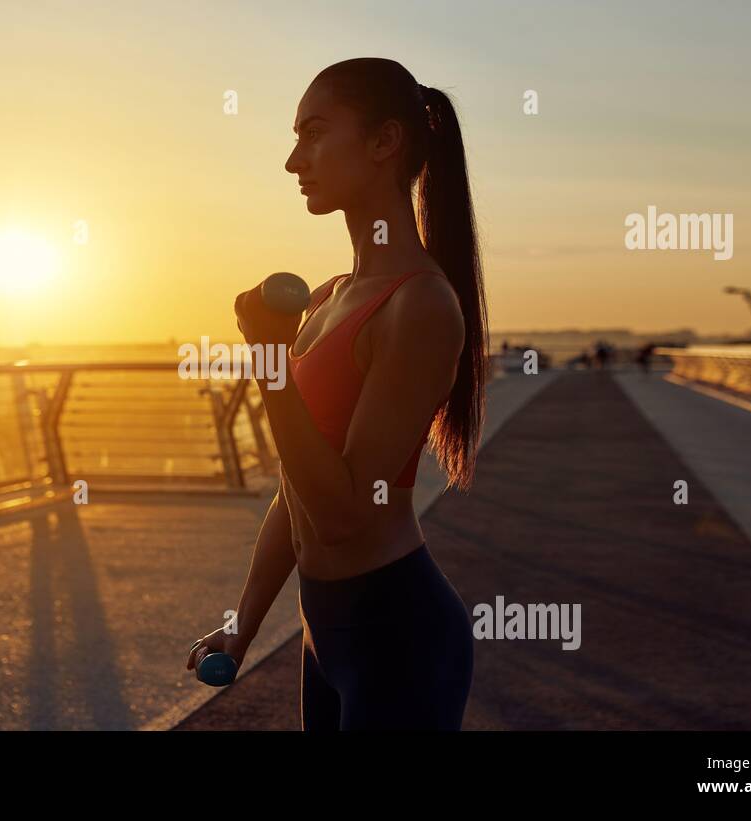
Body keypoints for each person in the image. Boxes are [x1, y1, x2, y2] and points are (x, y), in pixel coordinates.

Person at [187, 58, 487, 730]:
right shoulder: (326, 298)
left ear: (385, 143)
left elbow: (344, 514)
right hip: (326, 634)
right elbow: (297, 492)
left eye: (316, 134)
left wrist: (268, 358)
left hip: (399, 639)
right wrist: (243, 625)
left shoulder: (419, 306)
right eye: (296, 137)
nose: (295, 160)